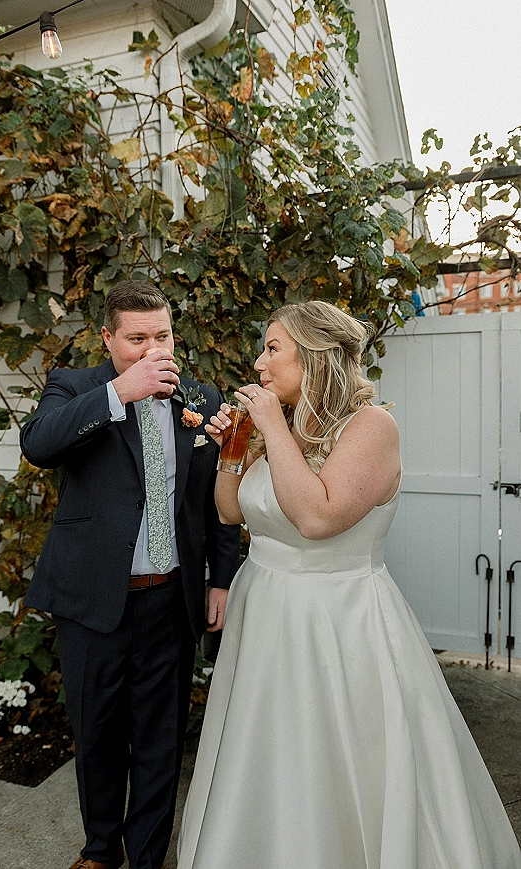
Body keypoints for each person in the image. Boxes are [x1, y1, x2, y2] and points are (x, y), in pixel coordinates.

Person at [177, 299, 521, 869]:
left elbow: (317, 518)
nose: (259, 366)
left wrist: (266, 427)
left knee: (335, 759)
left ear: (315, 357)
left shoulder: (372, 428)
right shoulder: (279, 426)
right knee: (266, 755)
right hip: (264, 614)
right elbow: (232, 512)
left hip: (337, 623)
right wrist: (233, 451)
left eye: (272, 350)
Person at [20, 280, 240, 869]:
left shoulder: (201, 398)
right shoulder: (76, 386)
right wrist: (121, 391)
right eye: (135, 338)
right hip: (93, 601)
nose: (151, 350)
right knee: (96, 735)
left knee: (160, 741)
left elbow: (217, 498)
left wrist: (221, 578)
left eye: (161, 336)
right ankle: (100, 851)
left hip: (171, 599)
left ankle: (145, 858)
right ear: (108, 338)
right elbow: (38, 444)